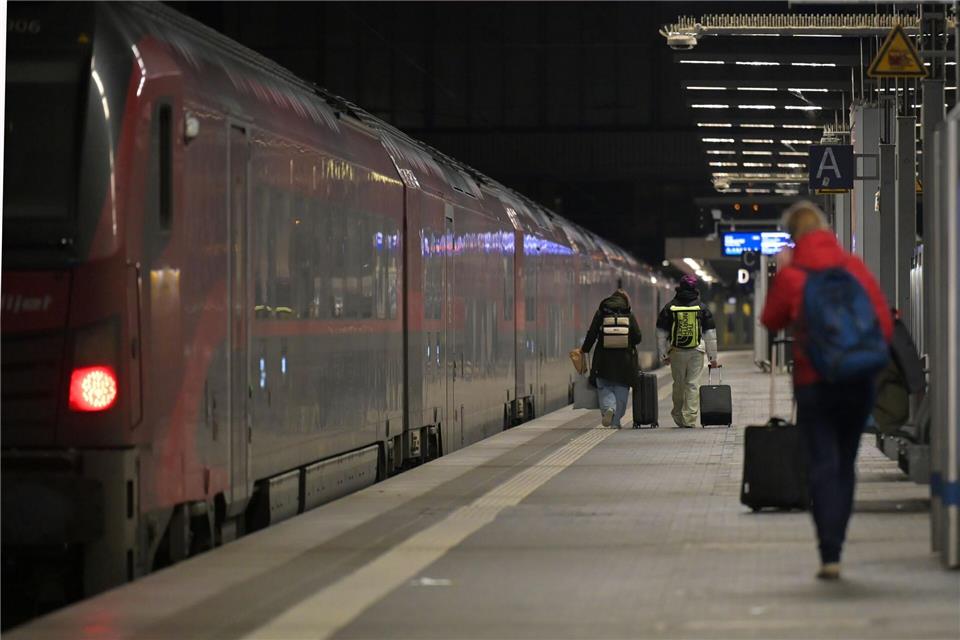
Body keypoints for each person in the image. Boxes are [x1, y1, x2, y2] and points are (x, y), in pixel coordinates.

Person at [761, 201, 892, 581]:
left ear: (793, 236)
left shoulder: (793, 274)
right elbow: (882, 326)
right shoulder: (853, 267)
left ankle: (828, 552)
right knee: (845, 463)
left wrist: (783, 274)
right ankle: (838, 540)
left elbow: (770, 321)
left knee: (822, 463)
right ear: (824, 229)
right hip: (856, 383)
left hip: (813, 384)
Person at [656, 275, 718, 428]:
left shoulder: (669, 307)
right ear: (695, 288)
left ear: (679, 287)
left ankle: (678, 414)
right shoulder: (701, 307)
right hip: (696, 351)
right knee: (692, 384)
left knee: (678, 384)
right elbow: (710, 335)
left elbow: (661, 333)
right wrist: (712, 357)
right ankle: (689, 417)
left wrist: (663, 353)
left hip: (676, 351)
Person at [577, 289, 642, 428]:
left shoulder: (601, 312)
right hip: (625, 361)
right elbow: (637, 337)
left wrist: (584, 350)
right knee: (622, 390)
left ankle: (609, 409)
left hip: (603, 359)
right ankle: (616, 421)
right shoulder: (628, 313)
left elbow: (592, 333)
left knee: (604, 387)